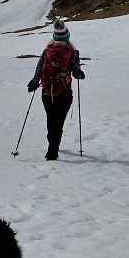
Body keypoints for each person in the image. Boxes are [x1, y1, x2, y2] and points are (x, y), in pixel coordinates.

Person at [27, 18, 85, 160]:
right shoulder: (73, 52)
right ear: (67, 37)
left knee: (51, 119)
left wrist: (35, 82)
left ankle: (51, 142)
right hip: (64, 94)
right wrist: (80, 74)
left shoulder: (47, 51)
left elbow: (39, 67)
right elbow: (76, 72)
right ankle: (52, 152)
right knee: (58, 122)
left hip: (47, 92)